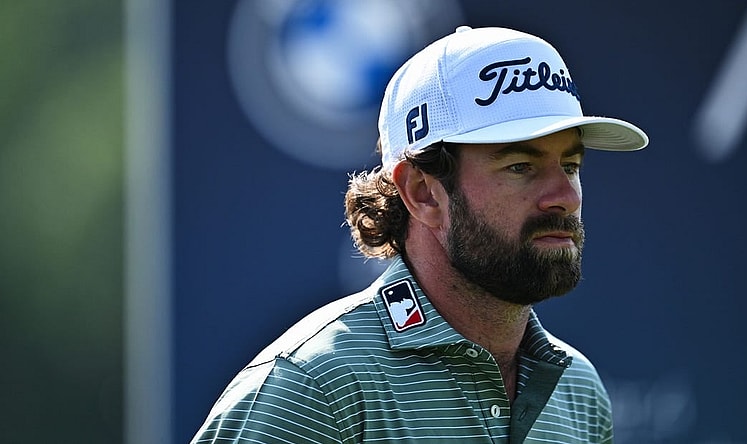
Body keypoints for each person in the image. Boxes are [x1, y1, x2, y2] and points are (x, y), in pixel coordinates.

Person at [191, 25, 648, 443]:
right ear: (424, 192)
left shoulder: (579, 392)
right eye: (520, 166)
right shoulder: (315, 387)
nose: (564, 196)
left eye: (571, 165)